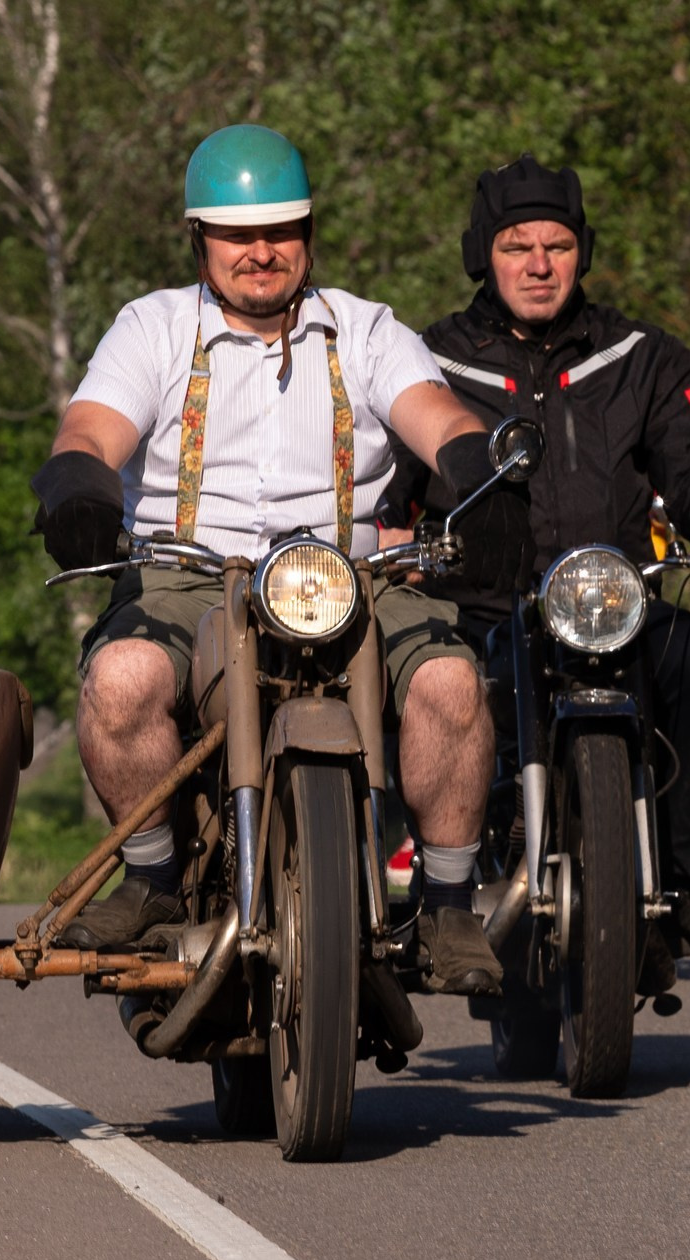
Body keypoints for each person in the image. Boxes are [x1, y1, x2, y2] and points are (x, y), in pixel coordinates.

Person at [28, 124, 504, 992]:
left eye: (280, 231)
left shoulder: (363, 329)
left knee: (452, 682)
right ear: (199, 238)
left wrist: (480, 472)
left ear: (310, 233)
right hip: (189, 576)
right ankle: (152, 876)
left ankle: (446, 902)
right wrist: (79, 487)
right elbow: (92, 429)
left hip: (352, 578)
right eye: (237, 234)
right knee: (121, 677)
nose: (260, 252)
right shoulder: (155, 328)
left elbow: (436, 412)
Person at [390, 155, 690, 960]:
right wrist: (392, 541)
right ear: (481, 255)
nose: (539, 264)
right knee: (414, 675)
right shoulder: (428, 360)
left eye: (558, 245)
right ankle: (415, 882)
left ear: (582, 252)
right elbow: (386, 477)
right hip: (481, 608)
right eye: (517, 245)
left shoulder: (642, 356)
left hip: (614, 602)